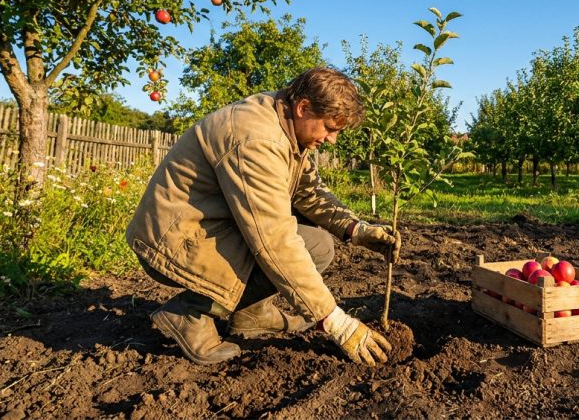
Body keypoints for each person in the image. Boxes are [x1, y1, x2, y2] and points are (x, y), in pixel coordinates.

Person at [126, 67, 400, 367]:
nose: (332, 139)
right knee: (287, 248)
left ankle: (252, 314)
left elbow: (308, 192)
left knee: (318, 245)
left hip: (210, 225)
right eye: (329, 128)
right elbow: (273, 239)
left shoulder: (288, 126)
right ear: (304, 107)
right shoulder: (257, 139)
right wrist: (335, 321)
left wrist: (355, 228)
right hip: (174, 239)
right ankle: (190, 312)